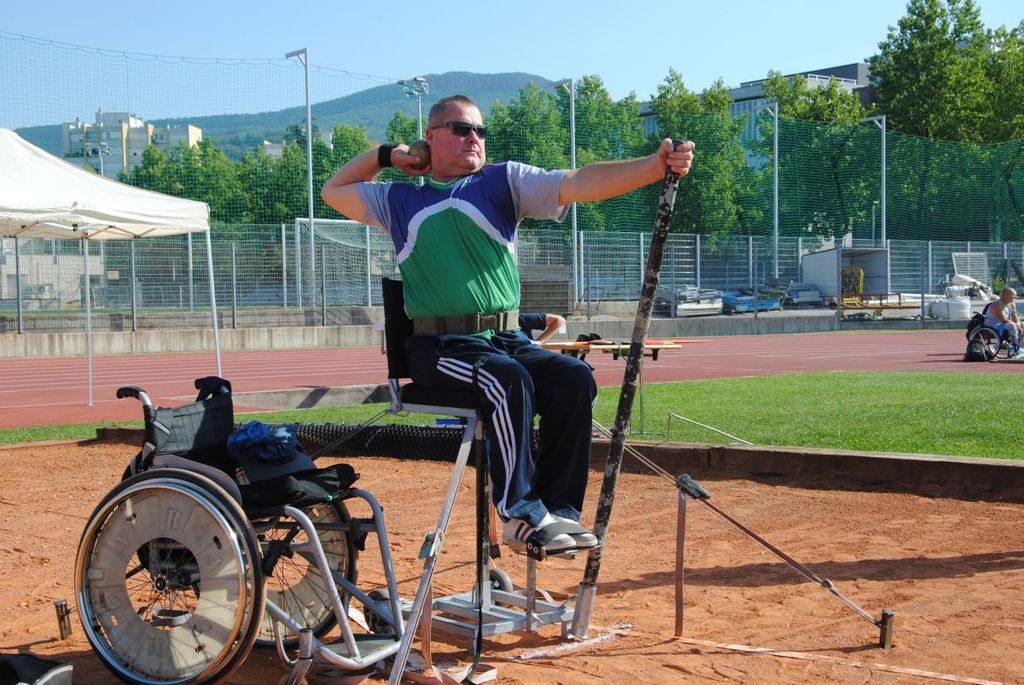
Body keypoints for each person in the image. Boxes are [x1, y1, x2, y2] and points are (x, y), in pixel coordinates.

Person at [322, 94, 694, 555]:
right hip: (442, 347)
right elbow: (334, 190)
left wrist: (654, 167)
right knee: (507, 379)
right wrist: (386, 155)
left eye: (480, 131)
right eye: (462, 129)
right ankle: (519, 513)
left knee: (574, 377)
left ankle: (558, 510)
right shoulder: (398, 199)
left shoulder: (503, 181)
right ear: (431, 136)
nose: (474, 138)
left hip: (506, 338)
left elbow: (578, 181)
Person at [984, 287, 1024, 358]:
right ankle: (1015, 349)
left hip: (1003, 324)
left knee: (1022, 324)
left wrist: (1018, 324)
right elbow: (1003, 319)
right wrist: (1016, 325)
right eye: (1013, 295)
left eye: (1015, 295)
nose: (1015, 297)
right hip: (993, 324)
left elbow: (1015, 317)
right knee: (1012, 325)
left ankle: (1020, 347)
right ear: (1005, 295)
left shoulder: (1012, 304)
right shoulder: (997, 304)